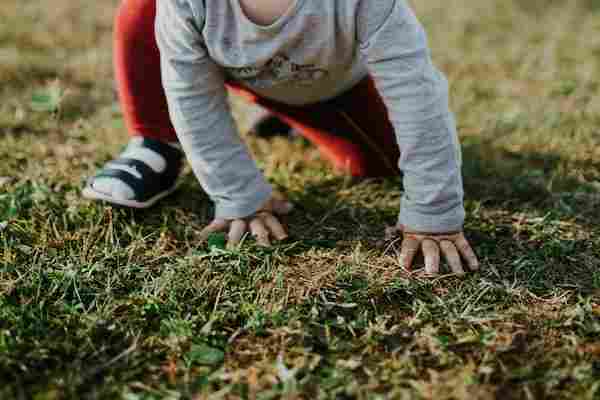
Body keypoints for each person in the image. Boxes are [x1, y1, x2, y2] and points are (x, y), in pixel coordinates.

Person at [83, 0, 480, 275]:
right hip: (227, 64)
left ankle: (285, 114)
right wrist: (238, 194)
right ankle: (154, 144)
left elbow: (416, 93)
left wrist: (433, 214)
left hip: (328, 88)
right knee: (144, 10)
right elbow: (191, 94)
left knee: (377, 165)